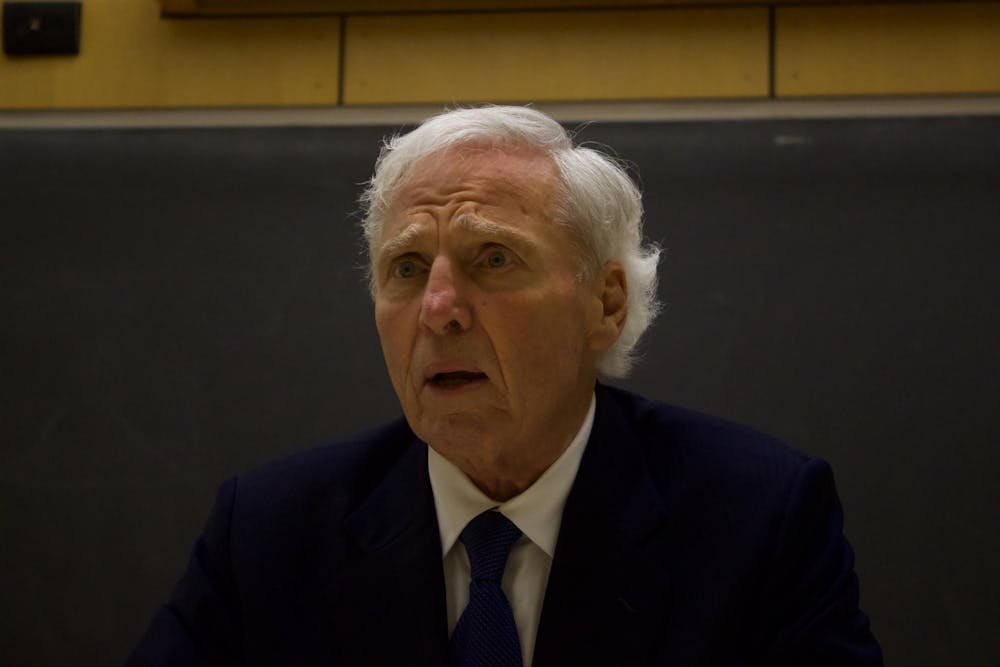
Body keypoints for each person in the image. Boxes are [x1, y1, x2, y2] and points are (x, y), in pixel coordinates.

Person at [130, 106, 882, 666]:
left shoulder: (759, 522)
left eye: (493, 259)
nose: (438, 309)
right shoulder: (268, 531)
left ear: (605, 304)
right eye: (407, 267)